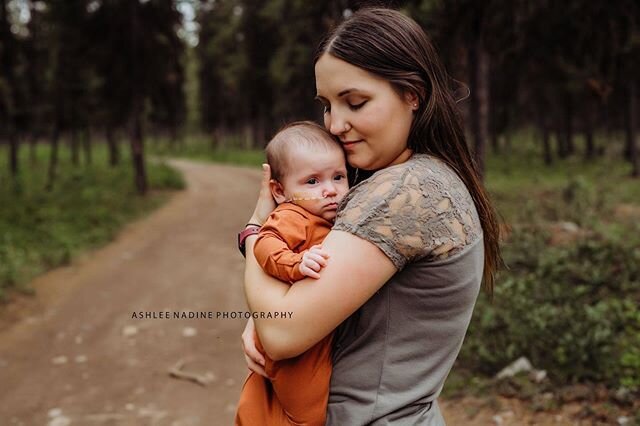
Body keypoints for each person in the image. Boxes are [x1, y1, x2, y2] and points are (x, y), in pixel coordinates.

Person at [238, 7, 502, 425]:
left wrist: (253, 233)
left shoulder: (405, 193)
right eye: (327, 105)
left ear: (411, 94)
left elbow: (283, 331)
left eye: (355, 102)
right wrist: (263, 314)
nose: (336, 124)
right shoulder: (423, 178)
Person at [235, 121, 349, 426]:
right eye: (312, 181)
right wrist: (295, 264)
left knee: (276, 400)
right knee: (307, 413)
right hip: (295, 345)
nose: (330, 190)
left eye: (339, 177)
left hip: (308, 334)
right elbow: (265, 244)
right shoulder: (292, 216)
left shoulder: (324, 216)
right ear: (280, 191)